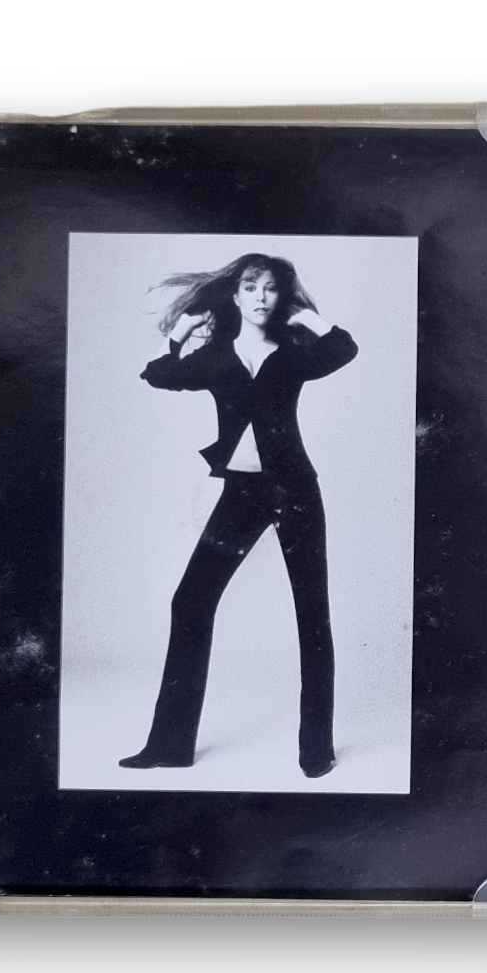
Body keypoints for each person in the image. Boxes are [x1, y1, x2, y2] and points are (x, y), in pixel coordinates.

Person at [119, 254, 358, 778]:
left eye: (271, 288)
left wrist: (307, 316)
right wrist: (181, 329)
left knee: (311, 613)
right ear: (234, 294)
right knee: (191, 601)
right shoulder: (216, 358)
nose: (261, 297)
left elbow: (343, 349)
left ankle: (316, 750)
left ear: (280, 296)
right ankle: (170, 747)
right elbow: (159, 374)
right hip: (243, 494)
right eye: (251, 287)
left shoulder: (293, 355)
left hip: (296, 490)